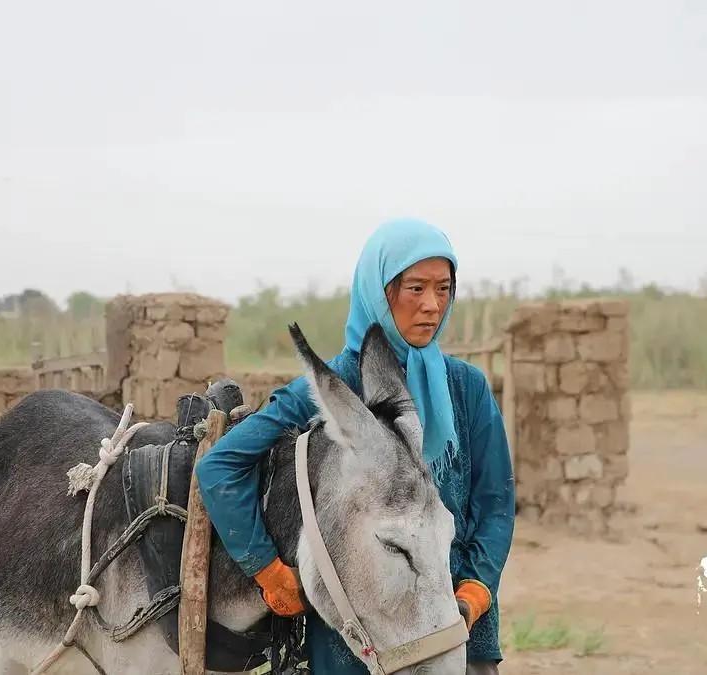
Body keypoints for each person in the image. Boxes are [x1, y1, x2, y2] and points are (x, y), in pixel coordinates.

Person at [194, 218, 515, 674]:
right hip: (356, 640)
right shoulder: (327, 391)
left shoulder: (467, 389)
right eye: (415, 289)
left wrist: (475, 591)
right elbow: (220, 466)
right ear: (379, 291)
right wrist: (266, 568)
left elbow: (496, 504)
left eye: (443, 289)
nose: (432, 306)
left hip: (457, 628)